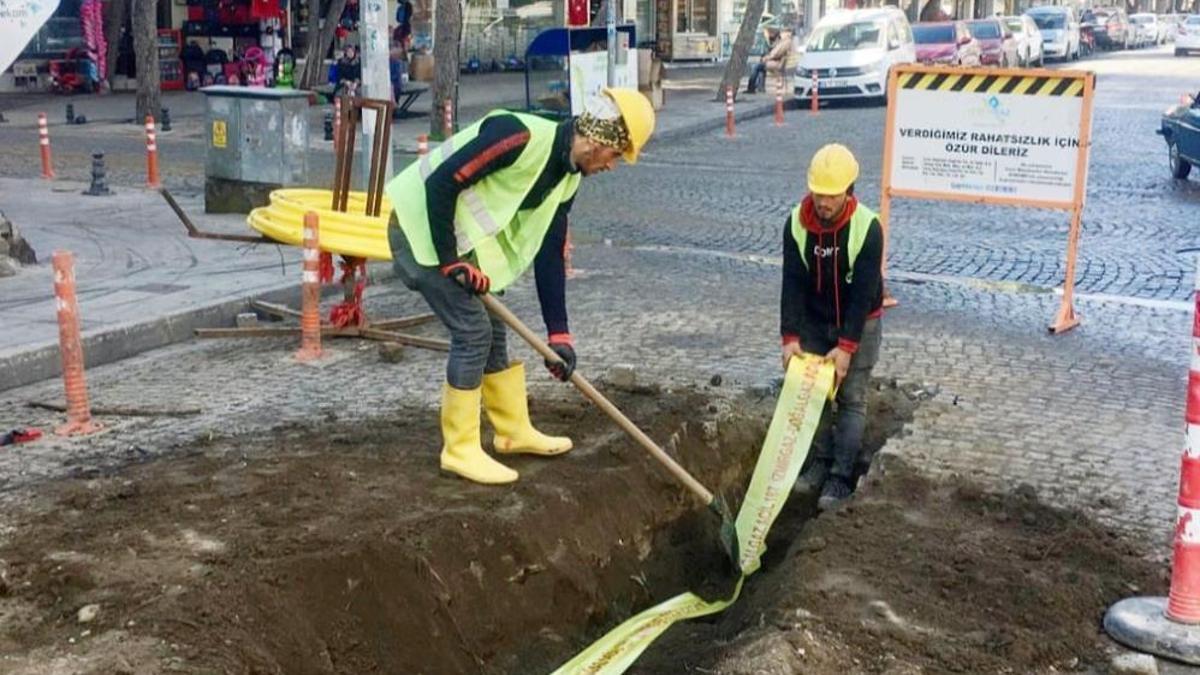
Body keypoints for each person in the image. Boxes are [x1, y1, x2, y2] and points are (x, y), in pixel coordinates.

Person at [384, 89, 655, 485]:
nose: (612, 166)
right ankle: (459, 450)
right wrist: (450, 260)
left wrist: (559, 335)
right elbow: (442, 183)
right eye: (616, 155)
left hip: (458, 243)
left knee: (494, 329)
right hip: (419, 230)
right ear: (597, 141)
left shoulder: (568, 177)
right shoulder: (518, 136)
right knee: (473, 332)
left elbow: (550, 249)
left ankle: (512, 432)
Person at [781, 144, 884, 510]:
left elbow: (863, 295)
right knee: (813, 394)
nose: (823, 202)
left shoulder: (867, 228)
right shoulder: (796, 223)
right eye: (818, 193)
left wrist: (847, 347)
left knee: (851, 397)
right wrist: (790, 337)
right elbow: (792, 282)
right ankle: (820, 462)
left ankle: (841, 477)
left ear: (849, 191)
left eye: (832, 195)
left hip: (859, 322)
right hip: (814, 319)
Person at [747, 28, 792, 94]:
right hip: (777, 62)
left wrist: (766, 58)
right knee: (761, 66)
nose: (781, 34)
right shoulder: (784, 41)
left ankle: (751, 88)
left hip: (777, 64)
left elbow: (775, 54)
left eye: (782, 32)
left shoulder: (785, 42)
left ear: (787, 33)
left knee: (755, 67)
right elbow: (774, 49)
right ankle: (760, 88)